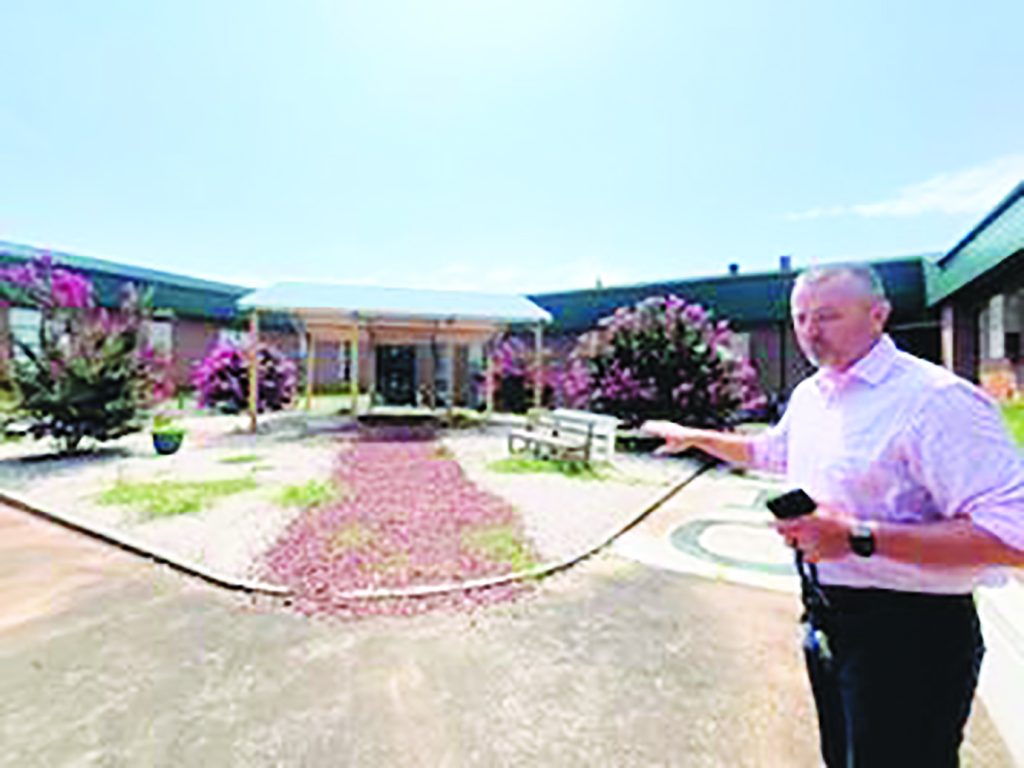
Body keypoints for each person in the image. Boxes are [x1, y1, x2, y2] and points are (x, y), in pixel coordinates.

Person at [642, 263, 1024, 768]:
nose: (809, 332)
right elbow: (769, 452)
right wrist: (694, 436)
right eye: (800, 318)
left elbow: (1012, 535)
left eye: (827, 316)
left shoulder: (937, 401)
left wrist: (858, 538)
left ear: (879, 315)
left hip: (910, 637)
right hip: (827, 617)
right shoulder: (813, 392)